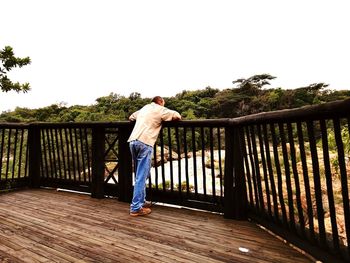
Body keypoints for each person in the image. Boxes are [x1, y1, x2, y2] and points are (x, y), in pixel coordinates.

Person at [127, 96, 181, 216]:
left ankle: (141, 201)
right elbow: (177, 116)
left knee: (141, 174)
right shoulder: (160, 109)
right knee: (141, 176)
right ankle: (135, 208)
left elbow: (131, 117)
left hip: (133, 141)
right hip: (145, 143)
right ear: (160, 102)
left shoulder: (144, 108)